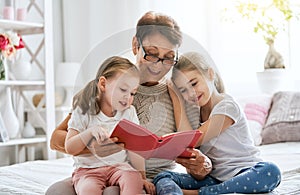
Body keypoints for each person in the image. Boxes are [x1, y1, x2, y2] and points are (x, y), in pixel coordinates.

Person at [47, 11, 212, 195]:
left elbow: (191, 154)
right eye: (151, 54)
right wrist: (91, 147)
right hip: (97, 170)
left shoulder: (179, 92)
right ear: (135, 45)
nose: (158, 65)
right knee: (56, 191)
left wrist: (201, 167)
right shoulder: (111, 85)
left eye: (168, 57)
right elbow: (56, 139)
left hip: (147, 178)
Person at [153, 51, 281, 195]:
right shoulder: (195, 115)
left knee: (271, 171)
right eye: (183, 90)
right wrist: (176, 98)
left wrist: (176, 99)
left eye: (194, 83)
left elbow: (192, 140)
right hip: (214, 179)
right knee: (163, 177)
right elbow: (188, 147)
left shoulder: (227, 106)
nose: (191, 93)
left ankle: (199, 193)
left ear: (210, 74)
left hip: (246, 173)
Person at [64, 56, 155, 195]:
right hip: (88, 171)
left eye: (132, 93)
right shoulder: (83, 110)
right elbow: (69, 147)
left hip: (119, 168)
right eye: (123, 89)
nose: (128, 97)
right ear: (103, 84)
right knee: (88, 189)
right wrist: (89, 132)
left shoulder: (129, 113)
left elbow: (134, 149)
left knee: (133, 178)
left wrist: (142, 177)